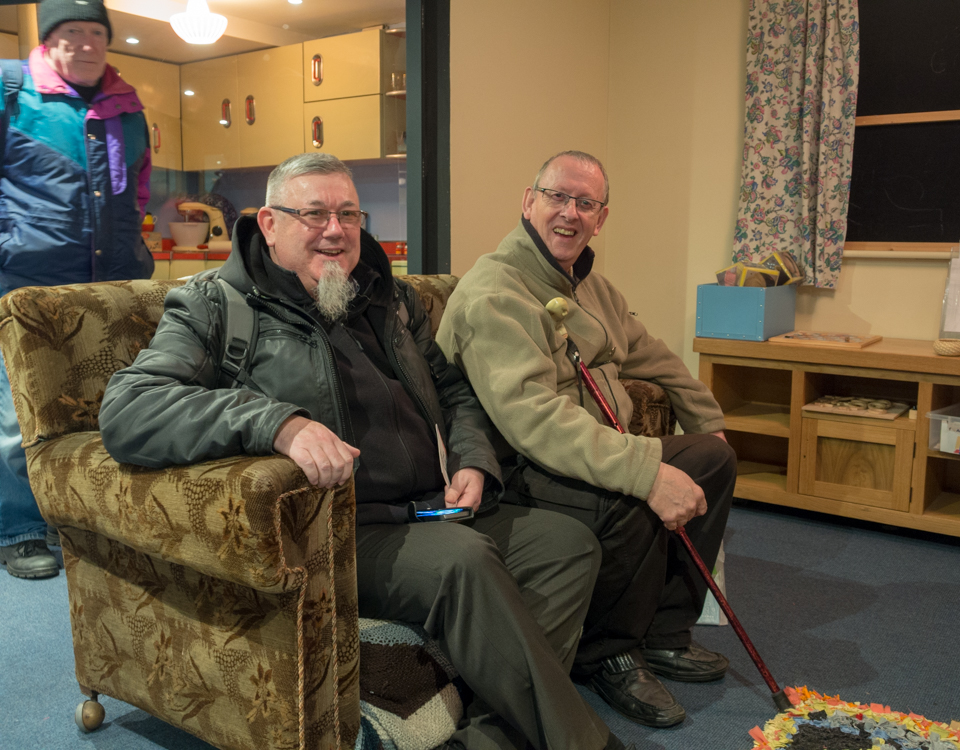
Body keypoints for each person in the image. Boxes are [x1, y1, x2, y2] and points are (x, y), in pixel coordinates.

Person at [99, 153, 636, 750]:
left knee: (566, 546)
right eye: (314, 214)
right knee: (464, 562)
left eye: (349, 214)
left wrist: (472, 459)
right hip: (342, 529)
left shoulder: (390, 299)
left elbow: (455, 389)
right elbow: (129, 407)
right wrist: (276, 423)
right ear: (269, 224)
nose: (335, 230)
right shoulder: (217, 304)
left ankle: (491, 738)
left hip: (430, 506)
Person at [436, 150, 738, 729]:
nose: (569, 212)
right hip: (519, 468)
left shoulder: (593, 287)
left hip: (583, 451)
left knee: (711, 459)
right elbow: (534, 421)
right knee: (632, 492)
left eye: (585, 203)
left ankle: (662, 633)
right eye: (556, 196)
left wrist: (705, 416)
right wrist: (643, 471)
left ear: (601, 218)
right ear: (529, 202)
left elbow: (651, 354)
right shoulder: (495, 292)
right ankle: (607, 654)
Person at [0, 0, 152, 579]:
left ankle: (78, 518)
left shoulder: (126, 105)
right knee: (17, 412)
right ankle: (18, 530)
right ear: (49, 40)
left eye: (96, 32)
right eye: (71, 32)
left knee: (95, 408)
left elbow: (137, 189)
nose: (86, 43)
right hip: (24, 283)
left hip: (105, 287)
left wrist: (133, 241)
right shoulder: (13, 92)